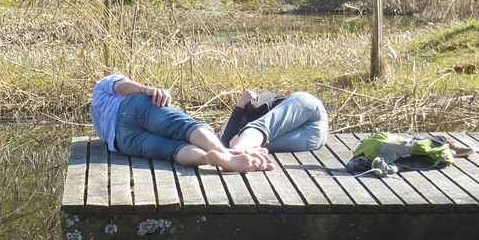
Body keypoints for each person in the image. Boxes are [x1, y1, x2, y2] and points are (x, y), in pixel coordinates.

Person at [90, 74, 274, 173]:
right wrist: (146, 89)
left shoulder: (97, 116)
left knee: (172, 150)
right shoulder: (101, 85)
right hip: (131, 108)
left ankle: (208, 159)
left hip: (123, 142)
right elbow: (121, 86)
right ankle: (225, 152)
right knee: (184, 126)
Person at [220, 89, 328, 154]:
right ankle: (237, 152)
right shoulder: (239, 134)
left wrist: (241, 104)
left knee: (257, 130)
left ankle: (234, 153)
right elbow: (226, 140)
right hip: (312, 140)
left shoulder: (259, 103)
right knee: (240, 142)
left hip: (306, 107)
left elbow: (226, 138)